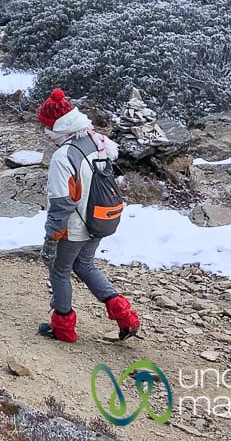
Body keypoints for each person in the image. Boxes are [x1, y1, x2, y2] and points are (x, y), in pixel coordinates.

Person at [37, 88, 140, 343]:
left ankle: (62, 327)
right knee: (84, 264)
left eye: (47, 128)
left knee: (59, 270)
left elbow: (62, 204)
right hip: (99, 218)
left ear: (57, 128)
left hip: (74, 226)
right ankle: (126, 316)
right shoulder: (97, 140)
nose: (45, 134)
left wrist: (51, 240)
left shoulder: (64, 156)